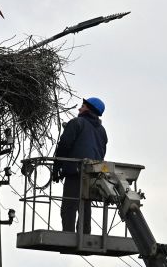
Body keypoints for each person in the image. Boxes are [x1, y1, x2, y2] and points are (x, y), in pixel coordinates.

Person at [52, 97, 107, 234]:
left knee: (69, 206)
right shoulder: (102, 131)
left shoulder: (77, 123)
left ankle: (68, 234)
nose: (79, 109)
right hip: (93, 175)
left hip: (75, 171)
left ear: (88, 108)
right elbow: (102, 152)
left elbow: (64, 145)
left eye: (82, 106)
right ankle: (84, 233)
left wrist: (57, 166)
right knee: (85, 205)